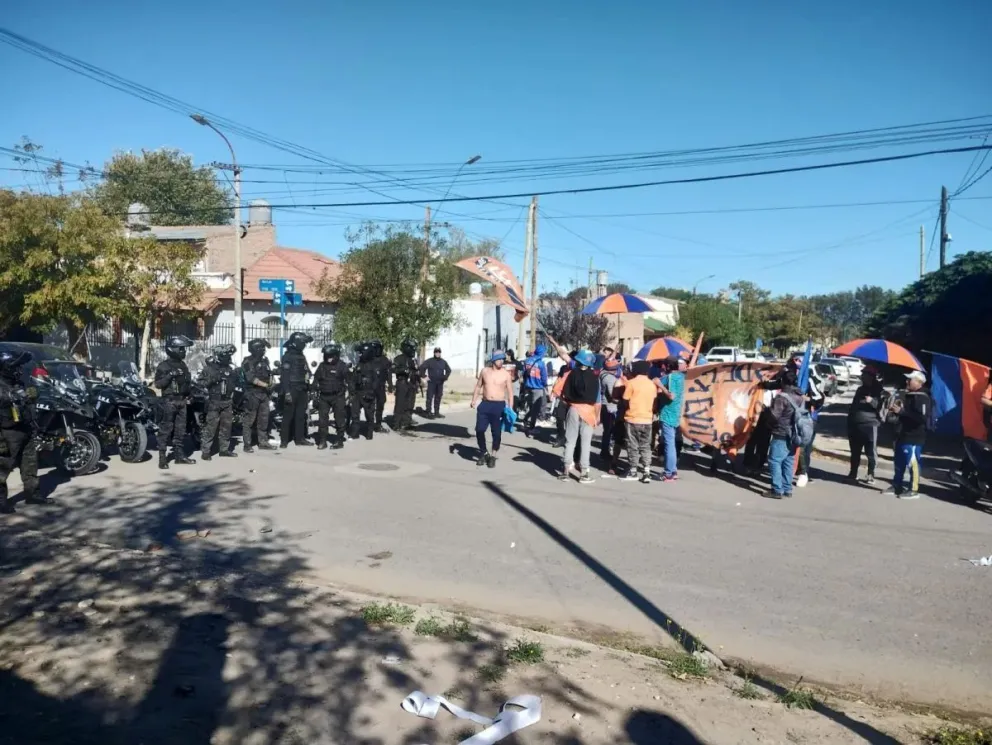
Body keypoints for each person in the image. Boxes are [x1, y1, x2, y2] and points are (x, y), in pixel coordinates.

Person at [0, 350, 48, 514]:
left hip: (25, 429)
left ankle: (33, 494)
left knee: (30, 465)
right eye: (15, 366)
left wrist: (33, 394)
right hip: (8, 433)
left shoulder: (18, 382)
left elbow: (29, 400)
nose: (19, 370)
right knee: (2, 469)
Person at [884, 370, 932, 500]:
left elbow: (921, 418)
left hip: (914, 437)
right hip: (902, 433)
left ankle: (913, 489)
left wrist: (902, 412)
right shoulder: (909, 395)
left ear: (919, 382)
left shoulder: (922, 398)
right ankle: (897, 485)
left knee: (913, 462)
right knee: (899, 462)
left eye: (910, 380)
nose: (907, 382)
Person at [154, 335, 196, 469]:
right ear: (173, 349)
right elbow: (158, 384)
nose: (184, 351)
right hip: (169, 402)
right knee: (165, 430)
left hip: (182, 402)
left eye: (184, 349)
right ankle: (162, 458)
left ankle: (179, 456)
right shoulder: (163, 366)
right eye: (181, 349)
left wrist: (190, 395)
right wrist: (170, 375)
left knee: (180, 430)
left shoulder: (183, 365)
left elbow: (186, 383)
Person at [558, 349, 600, 484]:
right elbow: (598, 400)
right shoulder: (594, 377)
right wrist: (597, 416)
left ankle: (565, 471)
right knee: (585, 443)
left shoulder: (571, 374)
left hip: (573, 409)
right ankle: (584, 473)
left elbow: (564, 395)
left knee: (570, 441)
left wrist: (570, 405)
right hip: (588, 411)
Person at [470, 350, 514, 467]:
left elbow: (510, 392)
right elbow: (478, 386)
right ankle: (484, 453)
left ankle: (493, 455)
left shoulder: (506, 374)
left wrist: (510, 407)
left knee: (496, 434)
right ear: (494, 360)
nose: (502, 361)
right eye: (499, 359)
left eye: (502, 359)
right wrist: (474, 400)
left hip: (499, 406)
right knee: (479, 430)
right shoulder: (485, 371)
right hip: (485, 404)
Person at [766, 370, 805, 499]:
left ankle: (777, 490)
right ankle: (787, 488)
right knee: (788, 461)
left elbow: (774, 416)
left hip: (781, 432)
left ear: (783, 381)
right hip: (795, 433)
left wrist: (767, 416)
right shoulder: (800, 396)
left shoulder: (782, 398)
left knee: (774, 461)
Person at [198, 344, 239, 460]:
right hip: (214, 401)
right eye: (226, 355)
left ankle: (224, 449)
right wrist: (213, 380)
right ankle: (206, 451)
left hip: (227, 401)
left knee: (226, 427)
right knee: (211, 427)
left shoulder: (230, 369)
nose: (228, 358)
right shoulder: (209, 369)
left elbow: (235, 383)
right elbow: (200, 383)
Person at [621, 360, 657, 483]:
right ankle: (647, 471)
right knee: (646, 445)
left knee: (632, 445)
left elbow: (625, 400)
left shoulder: (631, 383)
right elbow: (654, 402)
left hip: (632, 418)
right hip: (647, 419)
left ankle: (633, 470)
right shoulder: (652, 384)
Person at [847, 366, 884, 483]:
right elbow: (853, 406)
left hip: (870, 424)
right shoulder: (860, 389)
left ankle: (871, 474)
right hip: (856, 423)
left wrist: (872, 401)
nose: (863, 377)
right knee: (855, 451)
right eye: (862, 374)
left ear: (871, 376)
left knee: (871, 452)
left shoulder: (879, 390)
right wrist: (850, 421)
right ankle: (853, 473)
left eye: (865, 374)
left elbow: (881, 407)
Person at [313, 343, 351, 449]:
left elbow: (349, 381)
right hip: (324, 397)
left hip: (338, 396)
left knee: (339, 419)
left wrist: (351, 395)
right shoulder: (321, 366)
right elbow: (316, 380)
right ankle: (323, 441)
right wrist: (313, 392)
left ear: (336, 355)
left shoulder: (342, 366)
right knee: (322, 420)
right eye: (327, 356)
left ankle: (339, 441)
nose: (328, 359)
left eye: (331, 356)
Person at [279, 331, 314, 448]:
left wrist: (308, 376)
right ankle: (284, 441)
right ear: (295, 343)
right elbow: (284, 376)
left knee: (300, 416)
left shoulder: (301, 356)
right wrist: (287, 392)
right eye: (302, 342)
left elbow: (306, 370)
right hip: (292, 388)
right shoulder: (287, 356)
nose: (304, 345)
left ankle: (300, 439)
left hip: (302, 388)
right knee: (288, 416)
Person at [241, 338, 275, 452]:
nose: (263, 350)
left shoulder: (265, 361)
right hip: (252, 394)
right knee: (249, 420)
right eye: (261, 348)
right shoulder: (247, 362)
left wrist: (270, 384)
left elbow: (269, 374)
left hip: (264, 394)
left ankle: (263, 442)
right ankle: (247, 445)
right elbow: (250, 378)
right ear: (254, 349)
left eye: (263, 348)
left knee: (264, 419)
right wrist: (265, 385)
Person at [657, 356, 687, 482]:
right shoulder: (681, 376)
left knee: (669, 444)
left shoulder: (670, 378)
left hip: (667, 414)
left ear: (668, 366)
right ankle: (673, 470)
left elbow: (671, 396)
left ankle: (669, 472)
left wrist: (659, 384)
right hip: (675, 413)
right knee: (672, 443)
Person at [350, 342, 379, 440]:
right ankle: (355, 433)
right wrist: (352, 390)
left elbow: (376, 381)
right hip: (358, 393)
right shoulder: (359, 364)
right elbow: (353, 378)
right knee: (354, 414)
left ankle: (369, 433)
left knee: (369, 415)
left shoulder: (374, 365)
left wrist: (371, 392)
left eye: (361, 352)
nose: (359, 354)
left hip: (368, 393)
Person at [392, 338, 420, 430]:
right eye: (412, 348)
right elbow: (393, 369)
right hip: (402, 382)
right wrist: (402, 370)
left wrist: (418, 382)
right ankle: (396, 423)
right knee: (400, 404)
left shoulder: (413, 360)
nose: (413, 350)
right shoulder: (399, 358)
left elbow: (416, 371)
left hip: (412, 384)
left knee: (410, 404)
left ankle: (407, 421)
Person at [521, 344, 549, 431]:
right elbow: (544, 378)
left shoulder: (527, 361)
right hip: (538, 387)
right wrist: (545, 385)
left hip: (528, 386)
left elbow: (523, 373)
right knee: (536, 408)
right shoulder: (541, 363)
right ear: (542, 353)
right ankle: (531, 427)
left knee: (531, 406)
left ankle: (525, 420)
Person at [599, 356, 621, 463]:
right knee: (608, 431)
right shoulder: (610, 379)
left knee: (606, 431)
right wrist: (622, 401)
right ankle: (605, 452)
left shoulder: (602, 374)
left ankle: (604, 450)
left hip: (605, 405)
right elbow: (613, 395)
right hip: (610, 407)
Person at [419, 347, 451, 419]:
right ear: (434, 353)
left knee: (438, 397)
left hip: (440, 382)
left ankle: (436, 412)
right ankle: (428, 412)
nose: (437, 353)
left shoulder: (443, 362)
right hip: (432, 382)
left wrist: (445, 377)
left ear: (440, 353)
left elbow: (449, 370)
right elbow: (421, 368)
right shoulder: (430, 361)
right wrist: (424, 376)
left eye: (439, 352)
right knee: (429, 397)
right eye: (436, 352)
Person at [369, 340, 392, 432]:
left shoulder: (384, 359)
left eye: (378, 348)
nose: (377, 350)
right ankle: (370, 424)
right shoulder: (368, 359)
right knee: (370, 406)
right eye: (375, 348)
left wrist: (390, 385)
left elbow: (388, 373)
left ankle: (378, 424)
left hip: (381, 386)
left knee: (380, 405)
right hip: (370, 386)